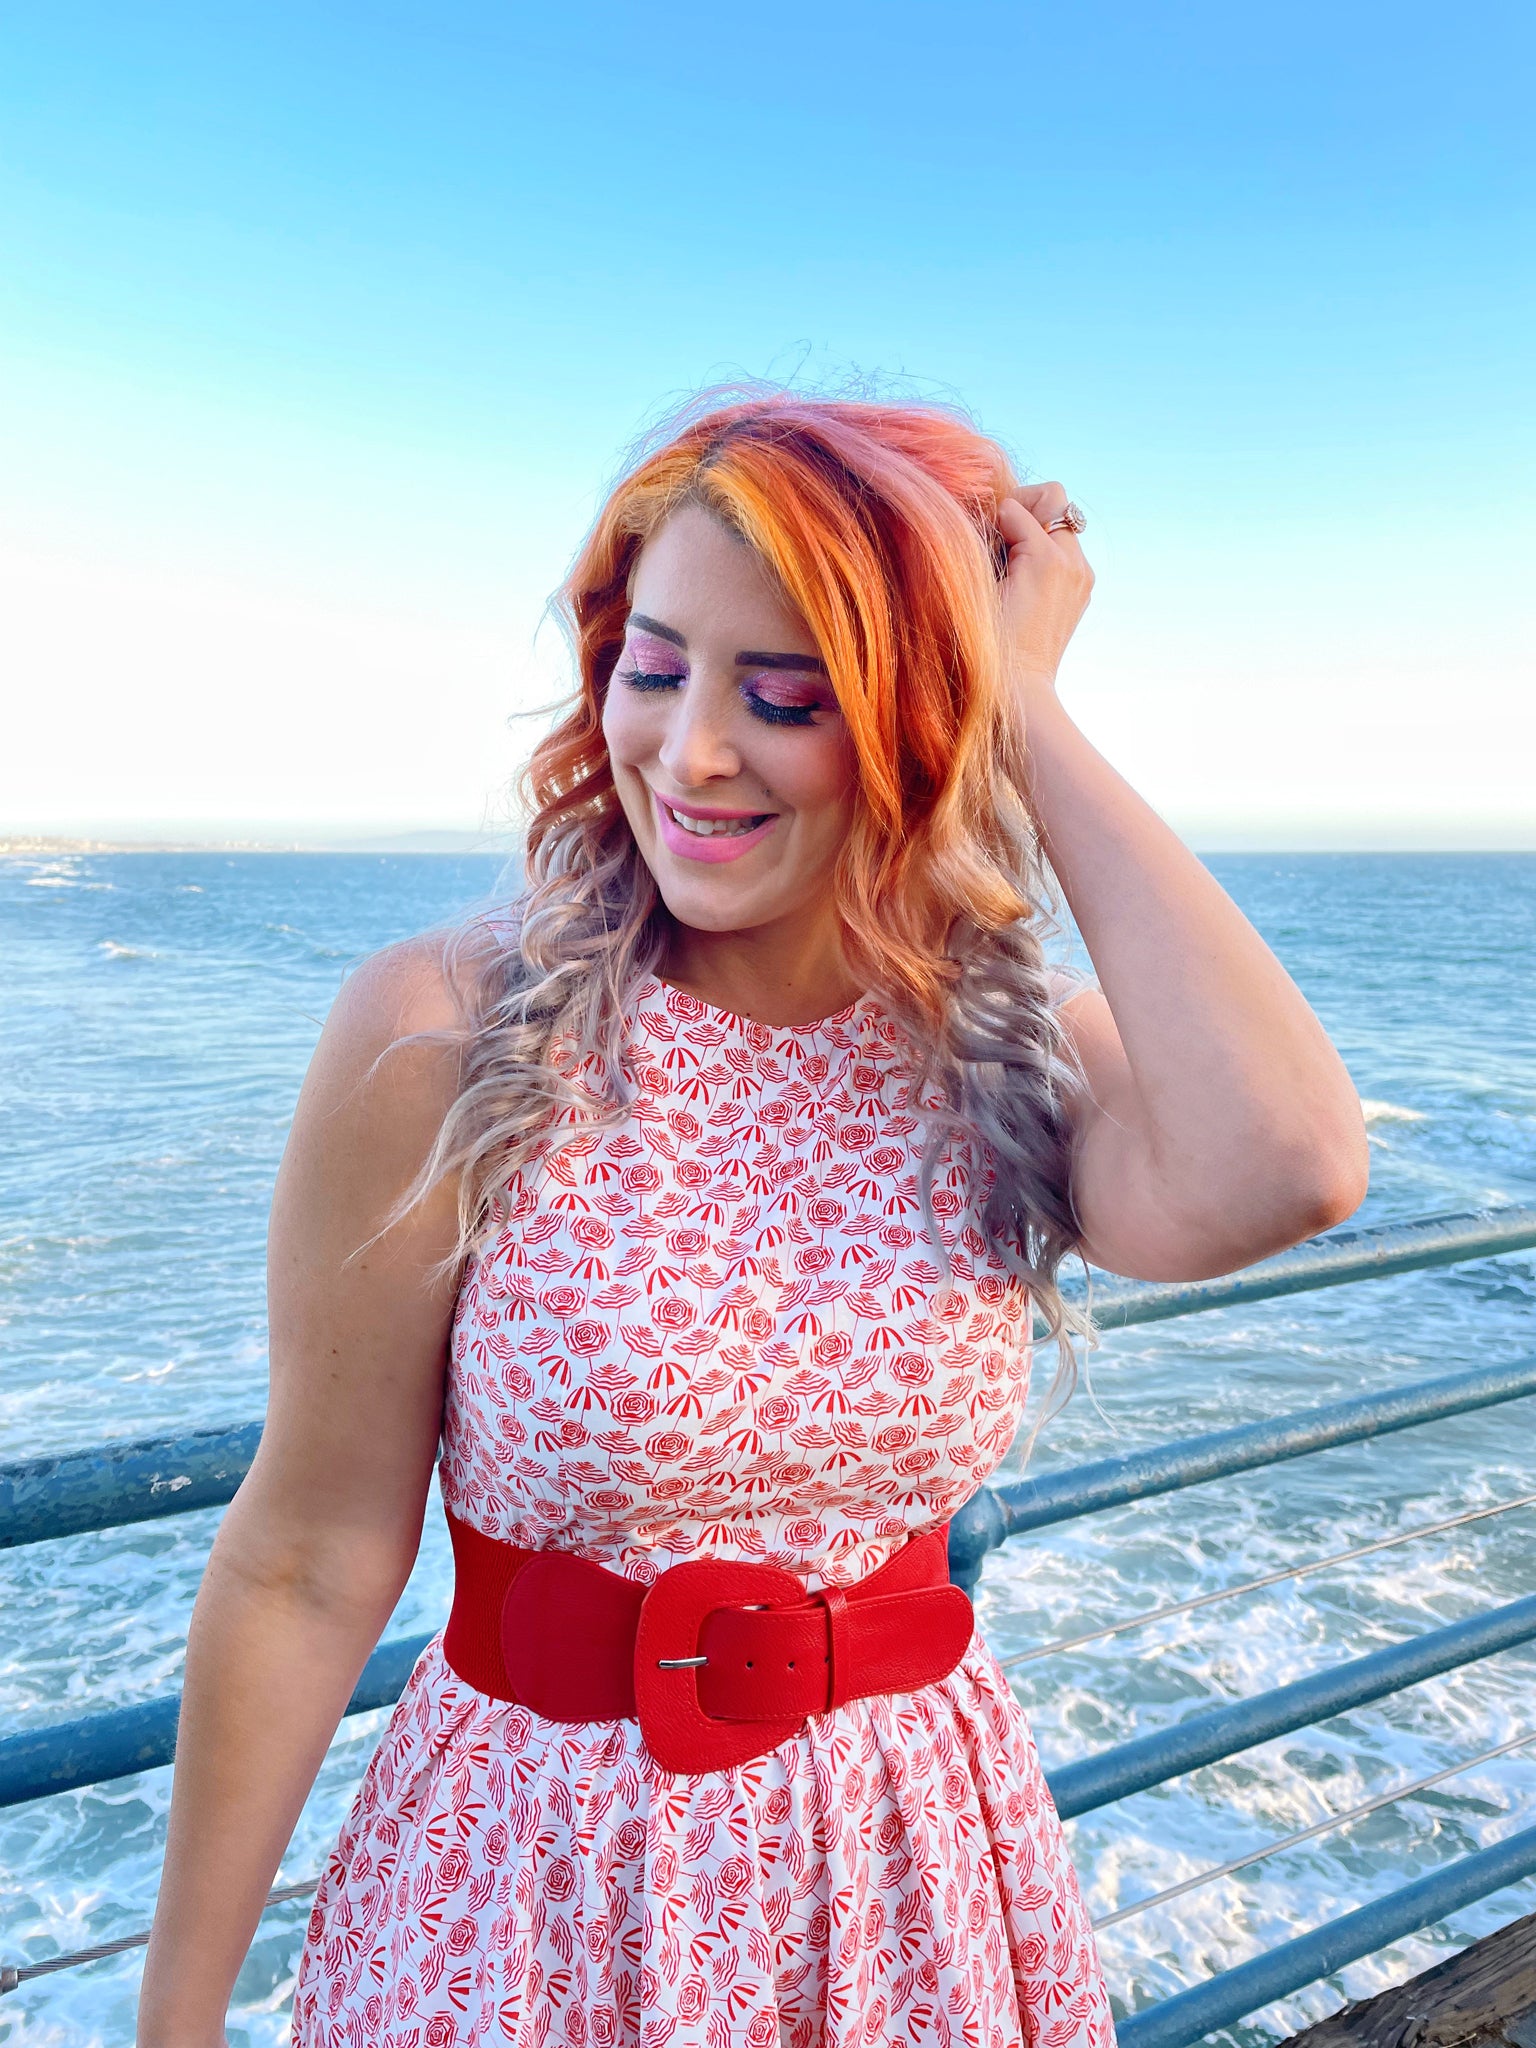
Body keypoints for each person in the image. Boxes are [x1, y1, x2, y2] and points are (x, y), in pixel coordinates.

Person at [136, 388, 1369, 2048]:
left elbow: (1292, 1159)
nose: (689, 749)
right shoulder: (449, 1027)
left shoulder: (1008, 1052)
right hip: (530, 1895)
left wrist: (1025, 701)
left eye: (784, 693)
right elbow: (303, 1558)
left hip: (906, 1888)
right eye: (656, 666)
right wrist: (178, 2015)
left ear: (920, 716)